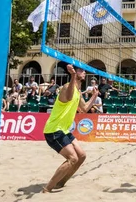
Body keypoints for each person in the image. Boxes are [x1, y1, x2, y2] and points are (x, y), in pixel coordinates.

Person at [42, 64, 100, 193]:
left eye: (84, 71)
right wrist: (73, 75)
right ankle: (47, 188)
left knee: (82, 156)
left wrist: (94, 96)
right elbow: (68, 97)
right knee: (72, 158)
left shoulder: (78, 92)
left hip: (64, 130)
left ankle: (61, 182)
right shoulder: (67, 87)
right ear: (74, 72)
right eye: (81, 70)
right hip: (54, 130)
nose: (84, 72)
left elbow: (84, 109)